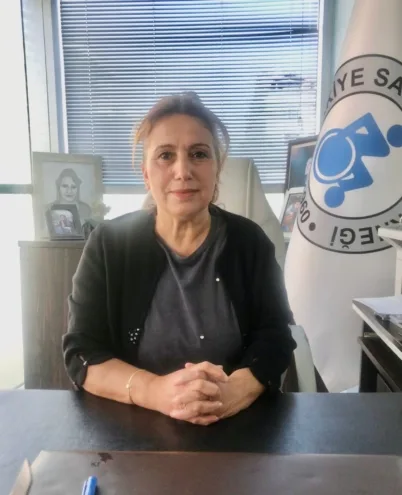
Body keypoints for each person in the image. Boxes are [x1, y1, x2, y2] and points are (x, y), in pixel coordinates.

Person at [63, 92, 296, 426]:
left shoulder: (250, 242)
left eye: (199, 154)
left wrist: (233, 391)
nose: (183, 170)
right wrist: (155, 391)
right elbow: (81, 351)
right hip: (133, 428)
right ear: (146, 174)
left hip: (236, 425)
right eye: (165, 155)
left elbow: (276, 336)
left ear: (217, 168)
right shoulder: (108, 244)